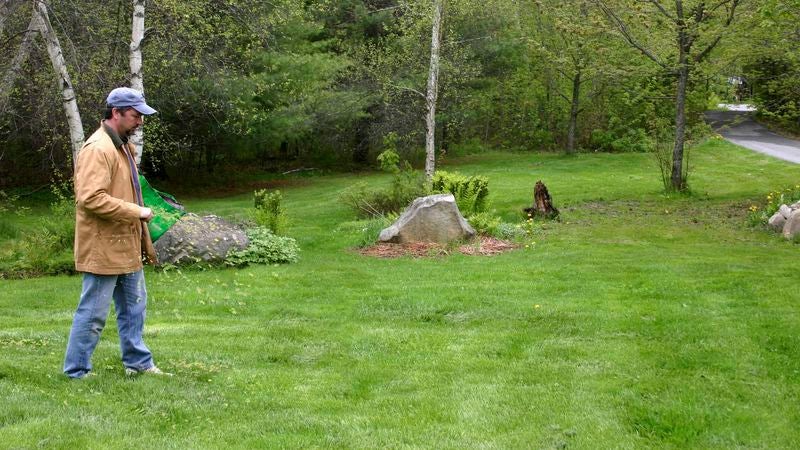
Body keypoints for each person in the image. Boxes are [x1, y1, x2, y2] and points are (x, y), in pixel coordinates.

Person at [63, 87, 170, 378]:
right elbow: (91, 198)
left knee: (134, 308)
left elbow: (124, 188)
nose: (140, 122)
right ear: (116, 113)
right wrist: (137, 212)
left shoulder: (122, 145)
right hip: (103, 246)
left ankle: (138, 363)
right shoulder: (98, 149)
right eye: (136, 116)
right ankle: (77, 371)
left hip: (126, 242)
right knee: (94, 313)